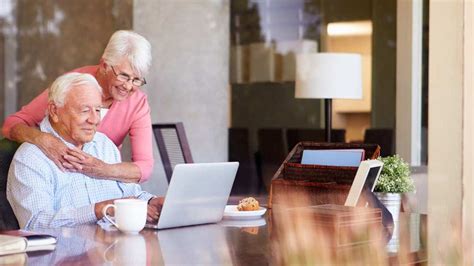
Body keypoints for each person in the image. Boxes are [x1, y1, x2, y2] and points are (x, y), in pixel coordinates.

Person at [7, 73, 163, 229]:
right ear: (54, 111)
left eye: (97, 110)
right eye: (84, 111)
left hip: (111, 249)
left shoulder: (104, 145)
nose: (94, 120)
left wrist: (150, 202)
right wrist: (98, 210)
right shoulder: (31, 157)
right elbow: (35, 223)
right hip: (65, 252)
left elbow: (129, 193)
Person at [2, 30, 153, 183]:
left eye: (136, 80)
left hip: (102, 182)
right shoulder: (73, 86)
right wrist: (44, 140)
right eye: (124, 76)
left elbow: (144, 167)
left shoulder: (138, 103)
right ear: (105, 65)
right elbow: (11, 124)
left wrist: (101, 169)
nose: (128, 86)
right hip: (60, 177)